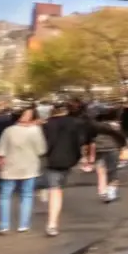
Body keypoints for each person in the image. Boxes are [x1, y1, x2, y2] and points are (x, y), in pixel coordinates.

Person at [0, 107, 47, 234]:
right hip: (29, 166)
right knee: (27, 195)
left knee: (5, 196)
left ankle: (4, 225)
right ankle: (23, 225)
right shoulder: (35, 131)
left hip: (9, 166)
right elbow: (41, 150)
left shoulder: (8, 131)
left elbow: (0, 151)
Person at [42, 101, 85, 237]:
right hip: (67, 160)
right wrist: (78, 158)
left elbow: (43, 144)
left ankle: (52, 224)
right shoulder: (74, 123)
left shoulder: (47, 124)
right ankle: (52, 222)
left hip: (50, 160)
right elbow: (79, 142)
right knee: (58, 188)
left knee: (55, 189)